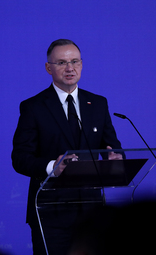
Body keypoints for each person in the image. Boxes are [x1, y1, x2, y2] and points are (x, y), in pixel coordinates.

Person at [12, 39, 123, 255]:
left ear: (82, 64)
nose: (70, 68)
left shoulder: (98, 103)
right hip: (50, 212)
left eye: (75, 61)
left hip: (93, 214)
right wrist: (53, 165)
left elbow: (112, 147)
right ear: (48, 68)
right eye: (62, 63)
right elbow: (20, 158)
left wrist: (114, 159)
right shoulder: (33, 107)